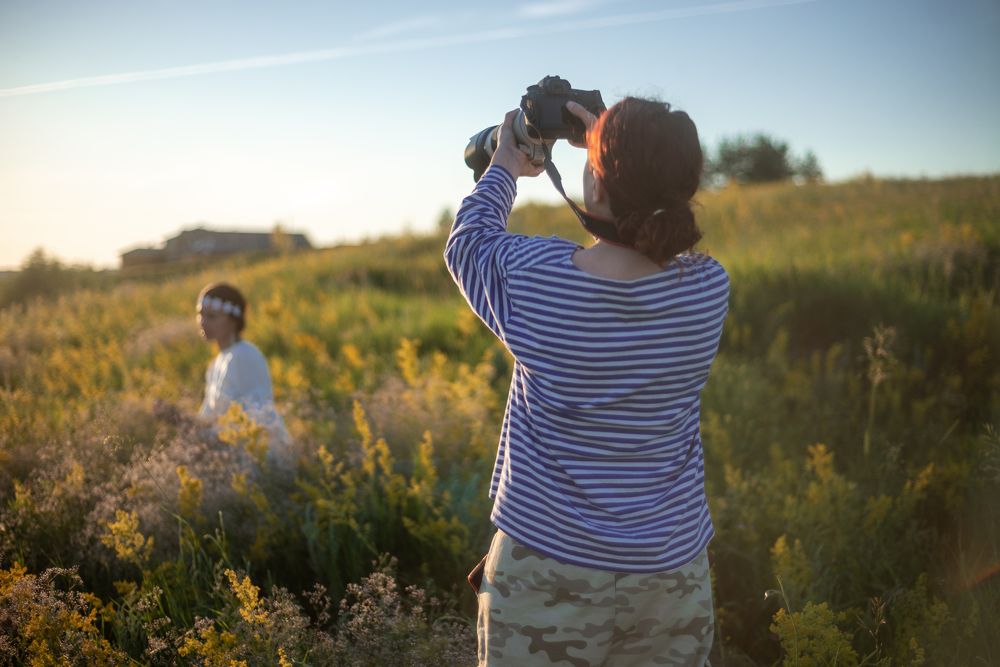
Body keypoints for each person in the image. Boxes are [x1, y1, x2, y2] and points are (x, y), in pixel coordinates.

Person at [445, 97, 729, 666]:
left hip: (546, 572)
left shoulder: (537, 282)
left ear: (597, 185)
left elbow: (468, 240)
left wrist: (504, 165)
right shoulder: (706, 290)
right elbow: (652, 200)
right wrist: (620, 147)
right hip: (669, 575)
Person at [196, 282, 290, 463]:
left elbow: (258, 416)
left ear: (233, 320)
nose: (203, 321)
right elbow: (207, 416)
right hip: (231, 451)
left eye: (212, 316)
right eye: (200, 314)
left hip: (259, 456)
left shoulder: (245, 356)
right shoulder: (216, 364)